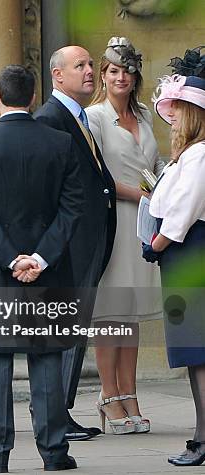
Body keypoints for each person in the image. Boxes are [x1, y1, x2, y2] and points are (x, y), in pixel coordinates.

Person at [0, 65, 83, 473]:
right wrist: (41, 258)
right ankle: (54, 451)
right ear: (33, 98)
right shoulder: (61, 143)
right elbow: (71, 209)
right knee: (46, 358)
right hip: (49, 270)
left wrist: (12, 258)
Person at [34, 45, 117, 441]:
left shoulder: (77, 117)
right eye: (80, 66)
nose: (89, 71)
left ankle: (58, 409)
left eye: (89, 64)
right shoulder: (51, 118)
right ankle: (52, 412)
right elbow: (50, 189)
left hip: (88, 239)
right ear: (57, 75)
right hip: (70, 244)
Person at [86, 37, 162, 435]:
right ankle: (108, 394)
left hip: (143, 221)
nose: (121, 77)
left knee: (130, 312)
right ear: (103, 75)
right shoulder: (94, 117)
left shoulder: (146, 115)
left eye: (127, 71)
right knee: (110, 311)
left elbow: (153, 163)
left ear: (135, 77)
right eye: (113, 71)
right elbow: (96, 175)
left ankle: (130, 394)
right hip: (114, 217)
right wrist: (142, 195)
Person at [145, 74, 205, 466]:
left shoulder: (199, 155)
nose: (173, 122)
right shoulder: (190, 154)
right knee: (194, 351)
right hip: (184, 252)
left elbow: (183, 210)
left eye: (178, 113)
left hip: (189, 252)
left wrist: (158, 242)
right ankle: (200, 434)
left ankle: (204, 438)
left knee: (198, 349)